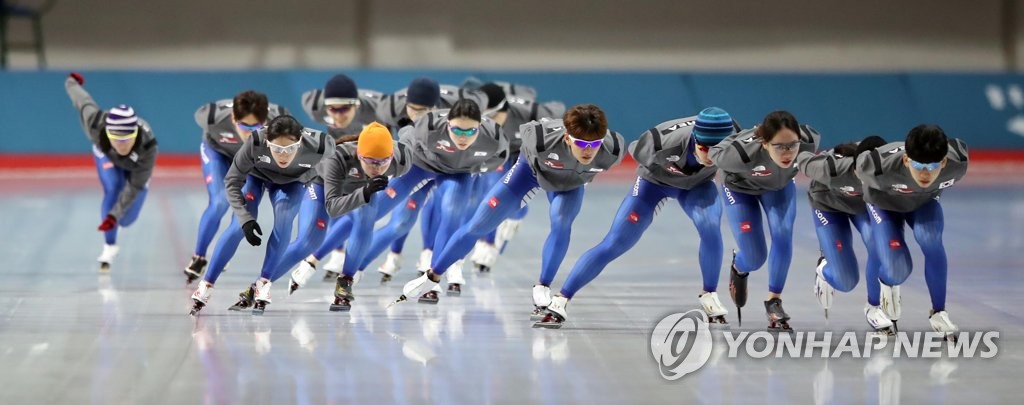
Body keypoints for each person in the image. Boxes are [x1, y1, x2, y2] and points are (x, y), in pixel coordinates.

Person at [392, 104, 624, 315]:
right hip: (530, 173)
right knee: (479, 225)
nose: (588, 151)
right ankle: (433, 275)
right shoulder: (540, 140)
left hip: (569, 184)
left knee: (562, 223)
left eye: (594, 144)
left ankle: (543, 286)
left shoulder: (612, 150)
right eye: (581, 144)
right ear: (567, 138)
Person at [535, 108, 737, 329]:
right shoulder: (659, 142)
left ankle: (710, 294)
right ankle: (562, 298)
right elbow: (635, 153)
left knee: (710, 227)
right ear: (694, 139)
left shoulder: (735, 139)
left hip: (699, 186)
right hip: (655, 184)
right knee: (615, 242)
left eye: (717, 151)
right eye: (704, 148)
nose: (710, 156)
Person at [188, 116, 331, 316]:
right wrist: (245, 218)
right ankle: (206, 285)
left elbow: (337, 179)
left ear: (300, 142)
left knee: (284, 221)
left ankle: (264, 283)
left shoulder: (322, 146)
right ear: (267, 142)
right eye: (277, 148)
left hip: (293, 183)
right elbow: (232, 182)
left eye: (290, 148)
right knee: (238, 227)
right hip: (255, 178)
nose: (283, 155)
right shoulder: (255, 141)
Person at [268, 122, 413, 311]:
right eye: (370, 161)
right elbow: (333, 208)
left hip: (361, 186)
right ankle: (261, 283)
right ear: (359, 155)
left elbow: (411, 137)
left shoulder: (402, 161)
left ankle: (346, 281)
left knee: (366, 219)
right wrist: (365, 192)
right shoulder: (337, 158)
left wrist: (407, 124)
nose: (377, 168)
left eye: (383, 162)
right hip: (321, 185)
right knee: (308, 240)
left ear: (391, 157)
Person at [708, 110, 820, 330]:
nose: (788, 153)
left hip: (779, 188)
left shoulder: (809, 140)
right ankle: (739, 266)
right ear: (765, 144)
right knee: (755, 257)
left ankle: (774, 301)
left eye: (792, 145)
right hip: (740, 191)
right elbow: (713, 154)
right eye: (780, 147)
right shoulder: (738, 154)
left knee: (783, 234)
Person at [855, 125, 968, 341]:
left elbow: (958, 146)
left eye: (933, 166)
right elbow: (858, 160)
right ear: (906, 160)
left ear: (944, 162)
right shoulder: (875, 167)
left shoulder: (958, 163)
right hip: (883, 204)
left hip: (924, 203)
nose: (926, 173)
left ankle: (939, 312)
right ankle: (874, 305)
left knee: (930, 238)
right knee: (897, 267)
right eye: (918, 166)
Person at [184, 91, 288, 283]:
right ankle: (199, 256)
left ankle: (223, 251)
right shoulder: (212, 117)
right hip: (218, 152)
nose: (249, 132)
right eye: (243, 126)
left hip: (250, 158)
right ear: (233, 118)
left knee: (243, 213)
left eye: (256, 127)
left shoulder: (279, 121)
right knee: (220, 202)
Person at [465, 82, 566, 274]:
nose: (489, 122)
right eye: (483, 118)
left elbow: (560, 112)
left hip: (524, 153)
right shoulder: (472, 115)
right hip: (498, 151)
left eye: (492, 116)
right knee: (491, 188)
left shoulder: (530, 112)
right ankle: (488, 241)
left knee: (514, 203)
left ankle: (516, 215)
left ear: (503, 110)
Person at [796, 135, 893, 333]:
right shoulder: (831, 167)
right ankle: (824, 269)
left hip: (865, 207)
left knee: (879, 244)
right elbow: (802, 159)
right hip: (828, 206)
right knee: (846, 282)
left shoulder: (890, 171)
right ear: (854, 167)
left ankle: (873, 307)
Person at [64, 72, 158, 272]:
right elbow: (82, 101)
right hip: (106, 156)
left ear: (135, 134)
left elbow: (133, 188)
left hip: (136, 169)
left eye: (125, 140)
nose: (120, 145)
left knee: (126, 219)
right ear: (107, 132)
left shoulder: (148, 146)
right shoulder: (95, 124)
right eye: (116, 139)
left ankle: (118, 221)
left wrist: (114, 216)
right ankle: (109, 246)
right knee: (113, 187)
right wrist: (72, 82)